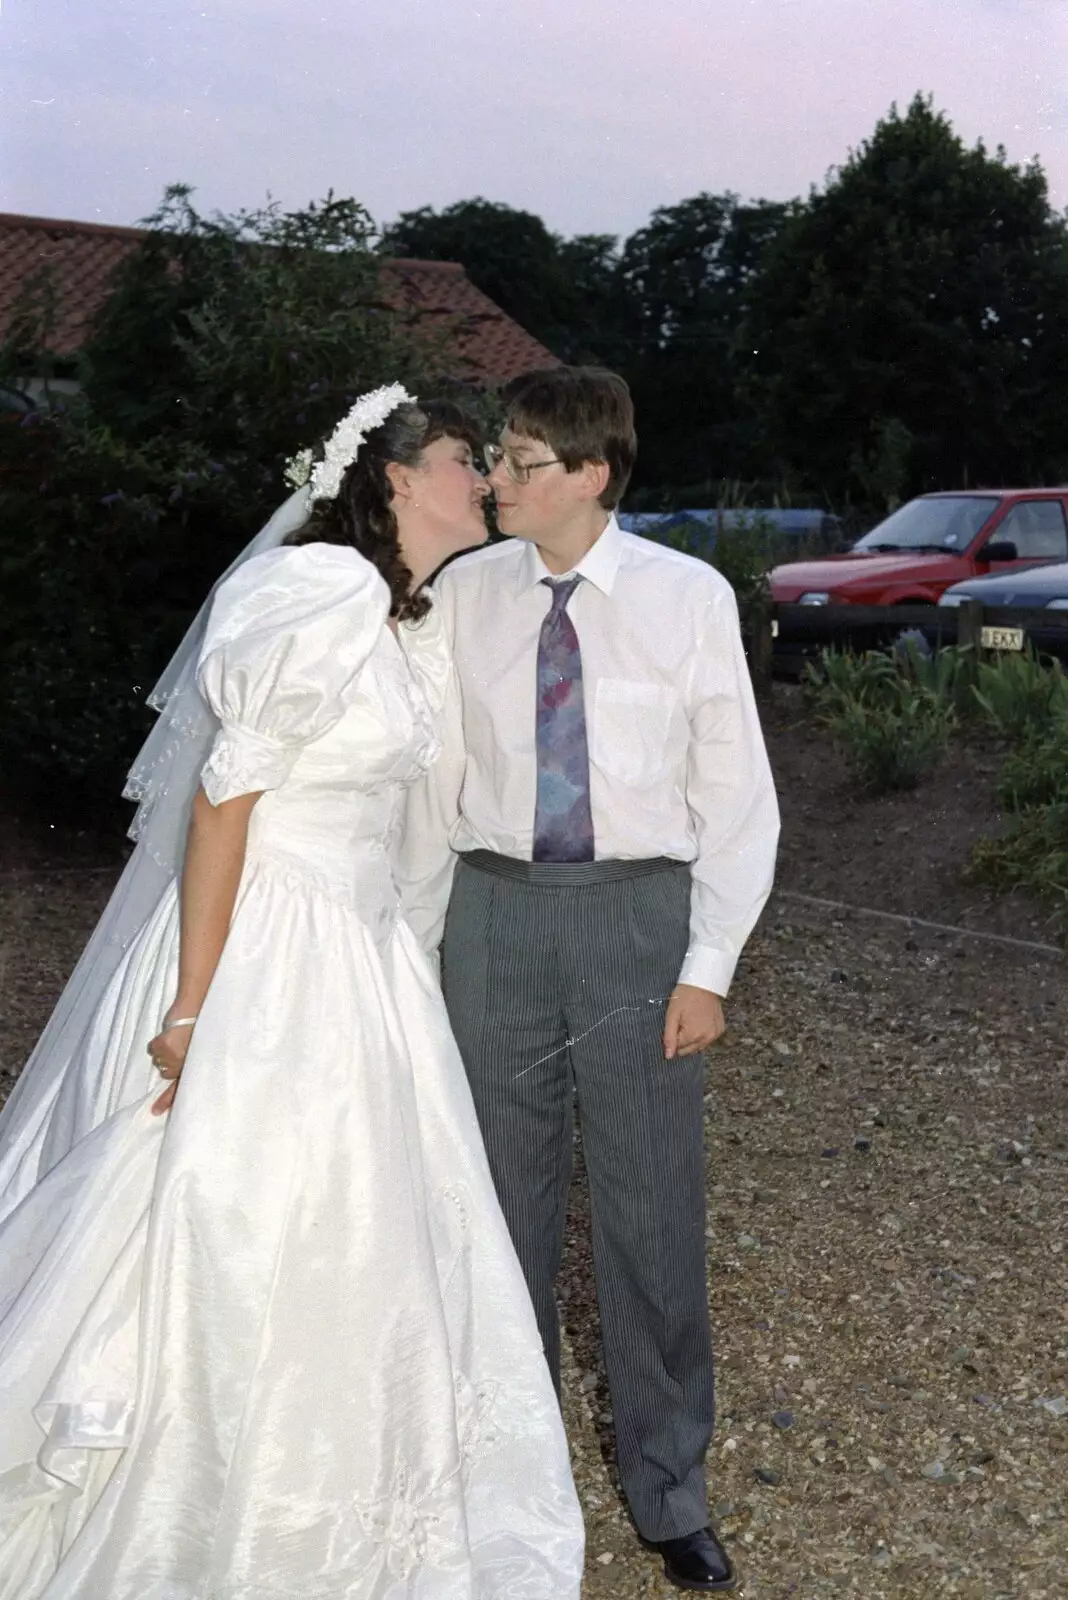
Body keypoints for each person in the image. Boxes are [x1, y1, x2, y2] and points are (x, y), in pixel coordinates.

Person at [0, 387, 585, 1599]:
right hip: (267, 945)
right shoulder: (315, 593)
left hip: (359, 958)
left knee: (371, 1232)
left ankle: (347, 1500)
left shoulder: (399, 616)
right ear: (389, 481)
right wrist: (192, 1001)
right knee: (230, 1212)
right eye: (463, 461)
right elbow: (226, 801)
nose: (481, 480)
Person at [397, 366, 780, 1595]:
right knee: (492, 1213)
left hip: (636, 926)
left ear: (591, 475)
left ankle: (670, 1488)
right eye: (496, 458)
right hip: (493, 916)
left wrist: (707, 966)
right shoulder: (464, 595)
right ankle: (513, 1475)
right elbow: (432, 786)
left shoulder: (688, 598)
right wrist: (411, 946)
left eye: (516, 460)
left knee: (650, 1215)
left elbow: (736, 798)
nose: (495, 477)